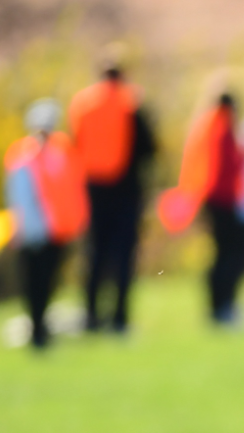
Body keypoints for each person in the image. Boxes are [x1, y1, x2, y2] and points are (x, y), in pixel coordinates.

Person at [68, 48, 158, 335]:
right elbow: (149, 149)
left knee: (95, 254)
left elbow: (74, 145)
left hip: (94, 189)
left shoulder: (83, 103)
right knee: (123, 256)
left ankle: (92, 316)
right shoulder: (131, 103)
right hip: (126, 191)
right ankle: (119, 318)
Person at [5, 99, 89, 351]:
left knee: (48, 281)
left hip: (56, 231)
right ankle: (37, 329)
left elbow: (71, 192)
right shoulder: (22, 155)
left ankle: (41, 327)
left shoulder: (60, 153)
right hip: (31, 233)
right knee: (34, 282)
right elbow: (19, 198)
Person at [179, 86, 244, 325]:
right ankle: (223, 306)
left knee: (223, 255)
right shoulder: (220, 129)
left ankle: (220, 306)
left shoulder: (206, 125)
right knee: (229, 256)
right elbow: (224, 168)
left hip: (215, 199)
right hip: (223, 200)